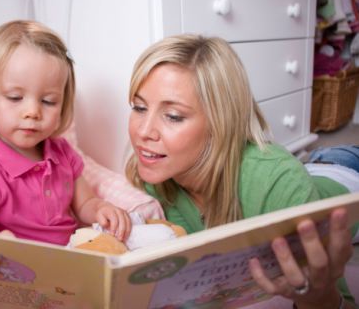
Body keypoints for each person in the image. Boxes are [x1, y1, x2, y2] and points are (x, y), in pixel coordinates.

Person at [125, 34, 357, 308]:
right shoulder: (152, 175)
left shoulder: (277, 180)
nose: (142, 132)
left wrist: (319, 299)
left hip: (345, 170)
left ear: (220, 123)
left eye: (173, 116)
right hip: (306, 170)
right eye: (139, 108)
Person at [0, 20, 131, 245]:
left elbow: (84, 203)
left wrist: (101, 209)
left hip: (71, 258)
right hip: (17, 272)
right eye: (15, 98)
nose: (33, 112)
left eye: (48, 101)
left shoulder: (62, 152)